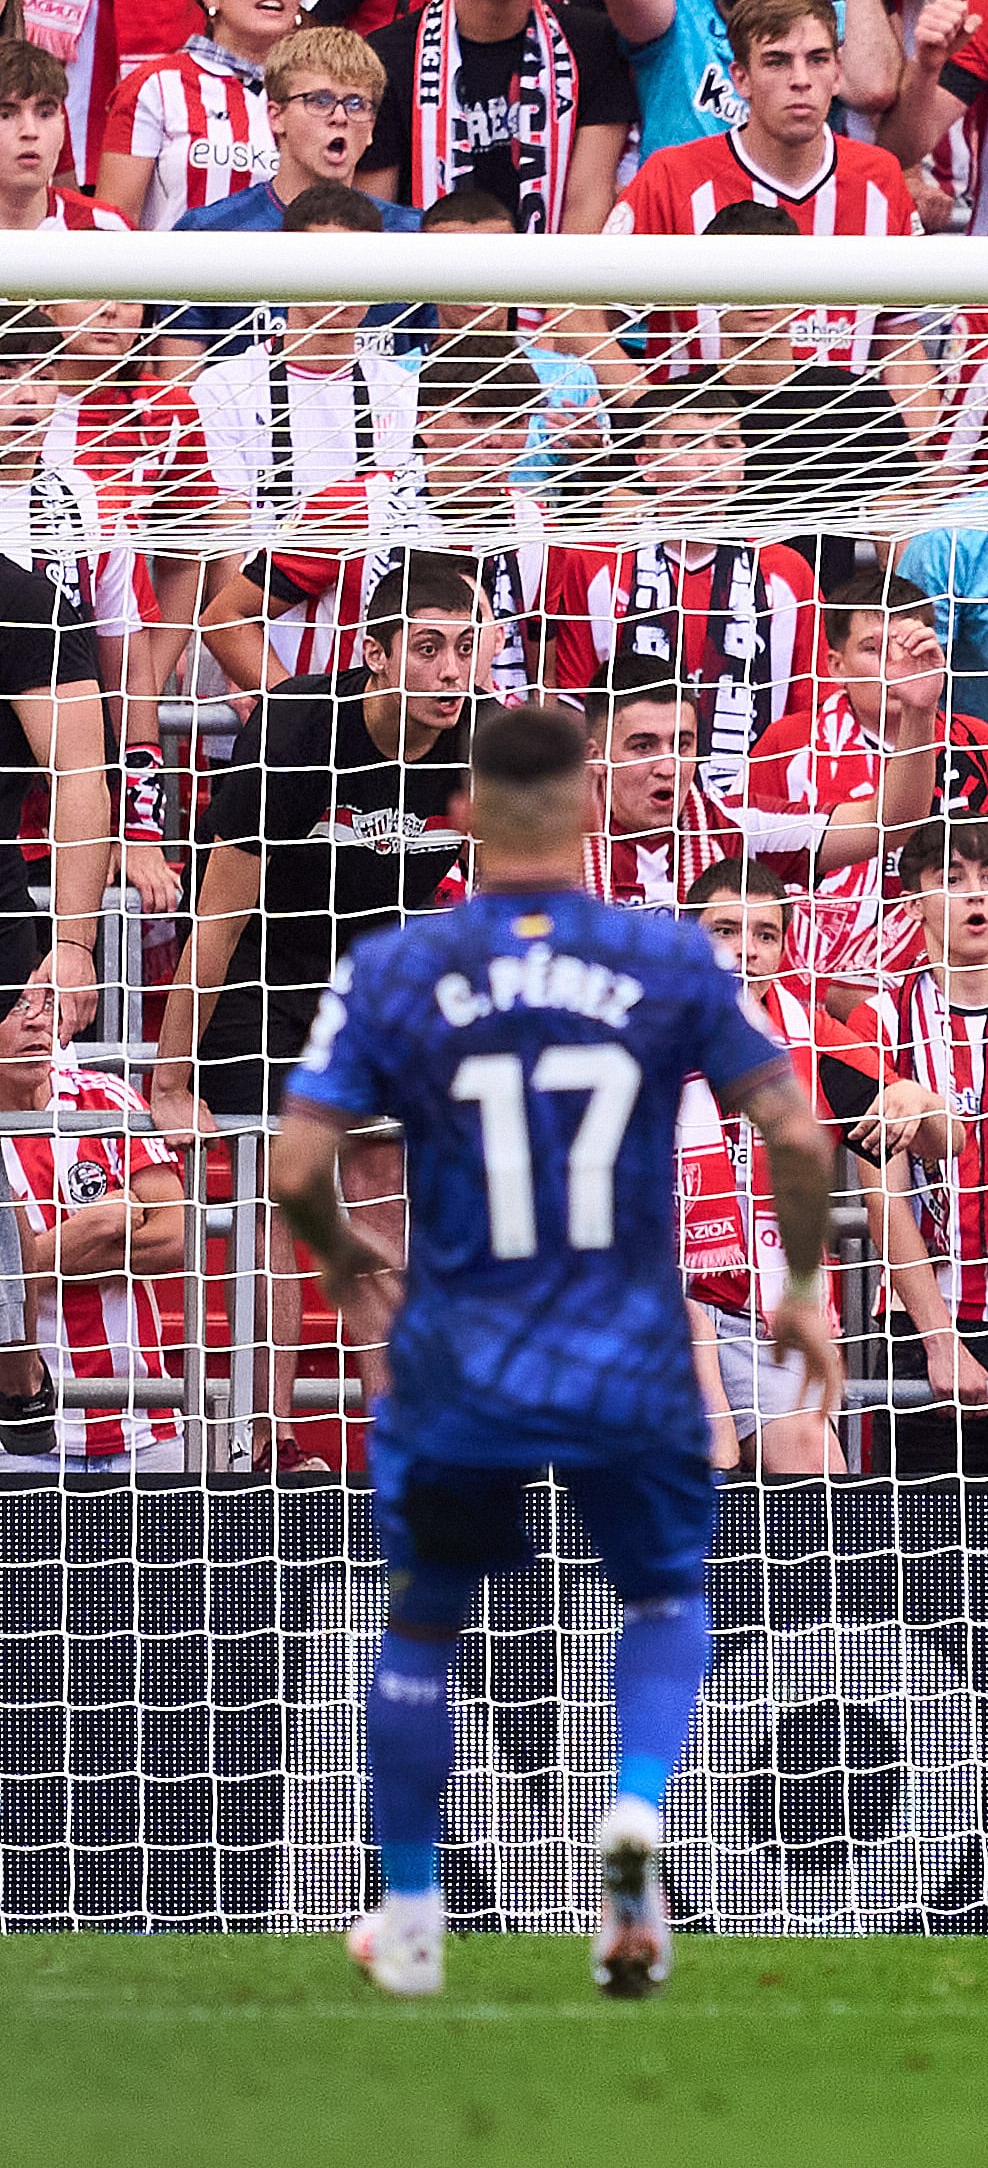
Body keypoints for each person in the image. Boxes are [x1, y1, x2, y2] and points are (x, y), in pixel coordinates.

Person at [265, 700, 839, 2001]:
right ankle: (633, 1826)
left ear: (459, 813)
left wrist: (345, 1253)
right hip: (632, 1350)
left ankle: (411, 1913)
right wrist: (801, 1288)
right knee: (665, 1598)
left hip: (462, 1351)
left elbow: (296, 1163)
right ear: (591, 810)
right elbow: (799, 1139)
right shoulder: (670, 960)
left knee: (421, 1625)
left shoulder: (396, 967)